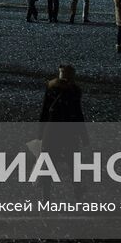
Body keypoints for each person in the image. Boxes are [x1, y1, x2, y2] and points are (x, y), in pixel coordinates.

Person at [38, 64, 88, 201]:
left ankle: (46, 196)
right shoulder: (75, 91)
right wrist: (84, 136)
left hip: (51, 131)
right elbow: (78, 114)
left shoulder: (51, 88)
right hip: (69, 132)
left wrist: (40, 132)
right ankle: (77, 192)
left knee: (49, 163)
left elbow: (44, 111)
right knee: (73, 164)